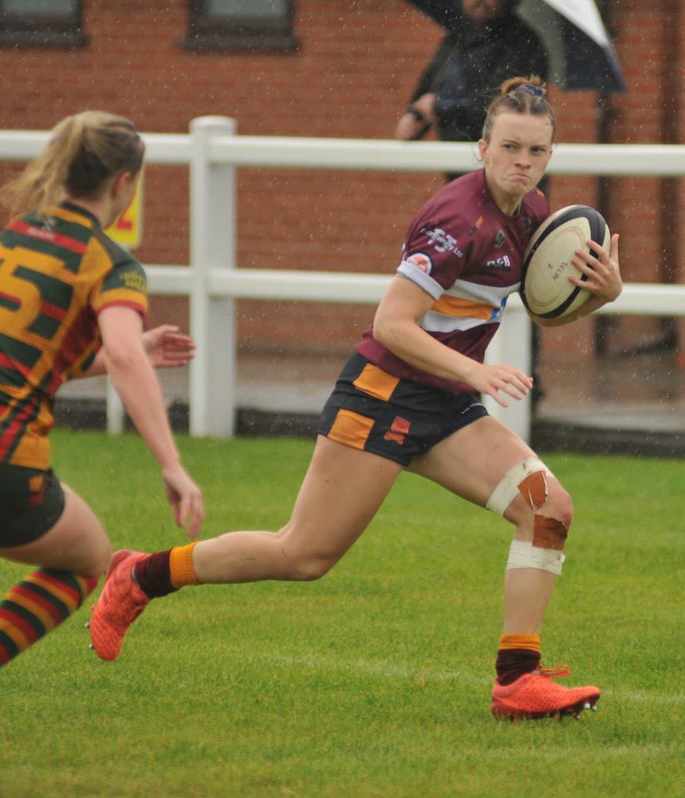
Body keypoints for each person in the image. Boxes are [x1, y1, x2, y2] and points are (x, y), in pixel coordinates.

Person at [89, 76, 623, 720]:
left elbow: (544, 310)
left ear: (550, 155)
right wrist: (476, 372)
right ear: (482, 148)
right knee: (302, 554)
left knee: (548, 509)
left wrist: (604, 294)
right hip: (383, 397)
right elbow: (392, 324)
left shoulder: (533, 214)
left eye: (536, 151)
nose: (522, 162)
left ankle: (517, 680)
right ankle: (140, 575)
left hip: (447, 407)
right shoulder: (456, 219)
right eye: (509, 147)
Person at [0, 111, 205, 761]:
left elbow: (22, 351)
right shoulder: (111, 263)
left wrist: (134, 349)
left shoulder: (22, 231)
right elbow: (119, 355)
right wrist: (171, 463)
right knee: (87, 561)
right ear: (123, 185)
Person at [396, 0, 548, 148]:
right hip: (455, 152)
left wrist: (438, 106)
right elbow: (430, 86)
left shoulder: (523, 44)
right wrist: (415, 116)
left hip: (500, 155)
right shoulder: (456, 38)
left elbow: (502, 104)